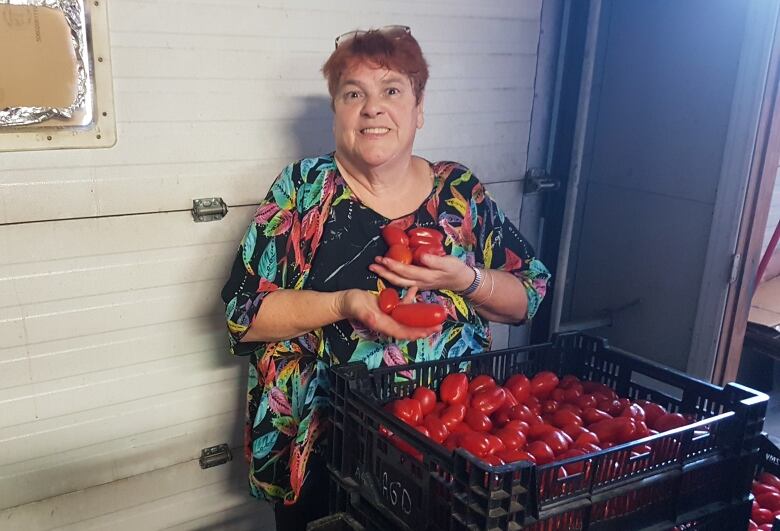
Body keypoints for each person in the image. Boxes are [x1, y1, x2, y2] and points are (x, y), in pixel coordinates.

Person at [220, 25, 550, 531]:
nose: (372, 108)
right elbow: (244, 316)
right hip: (327, 444)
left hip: (448, 441)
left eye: (392, 90)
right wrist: (344, 303)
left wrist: (464, 278)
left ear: (419, 110)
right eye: (354, 94)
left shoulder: (459, 192)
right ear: (337, 113)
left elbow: (527, 298)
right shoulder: (303, 190)